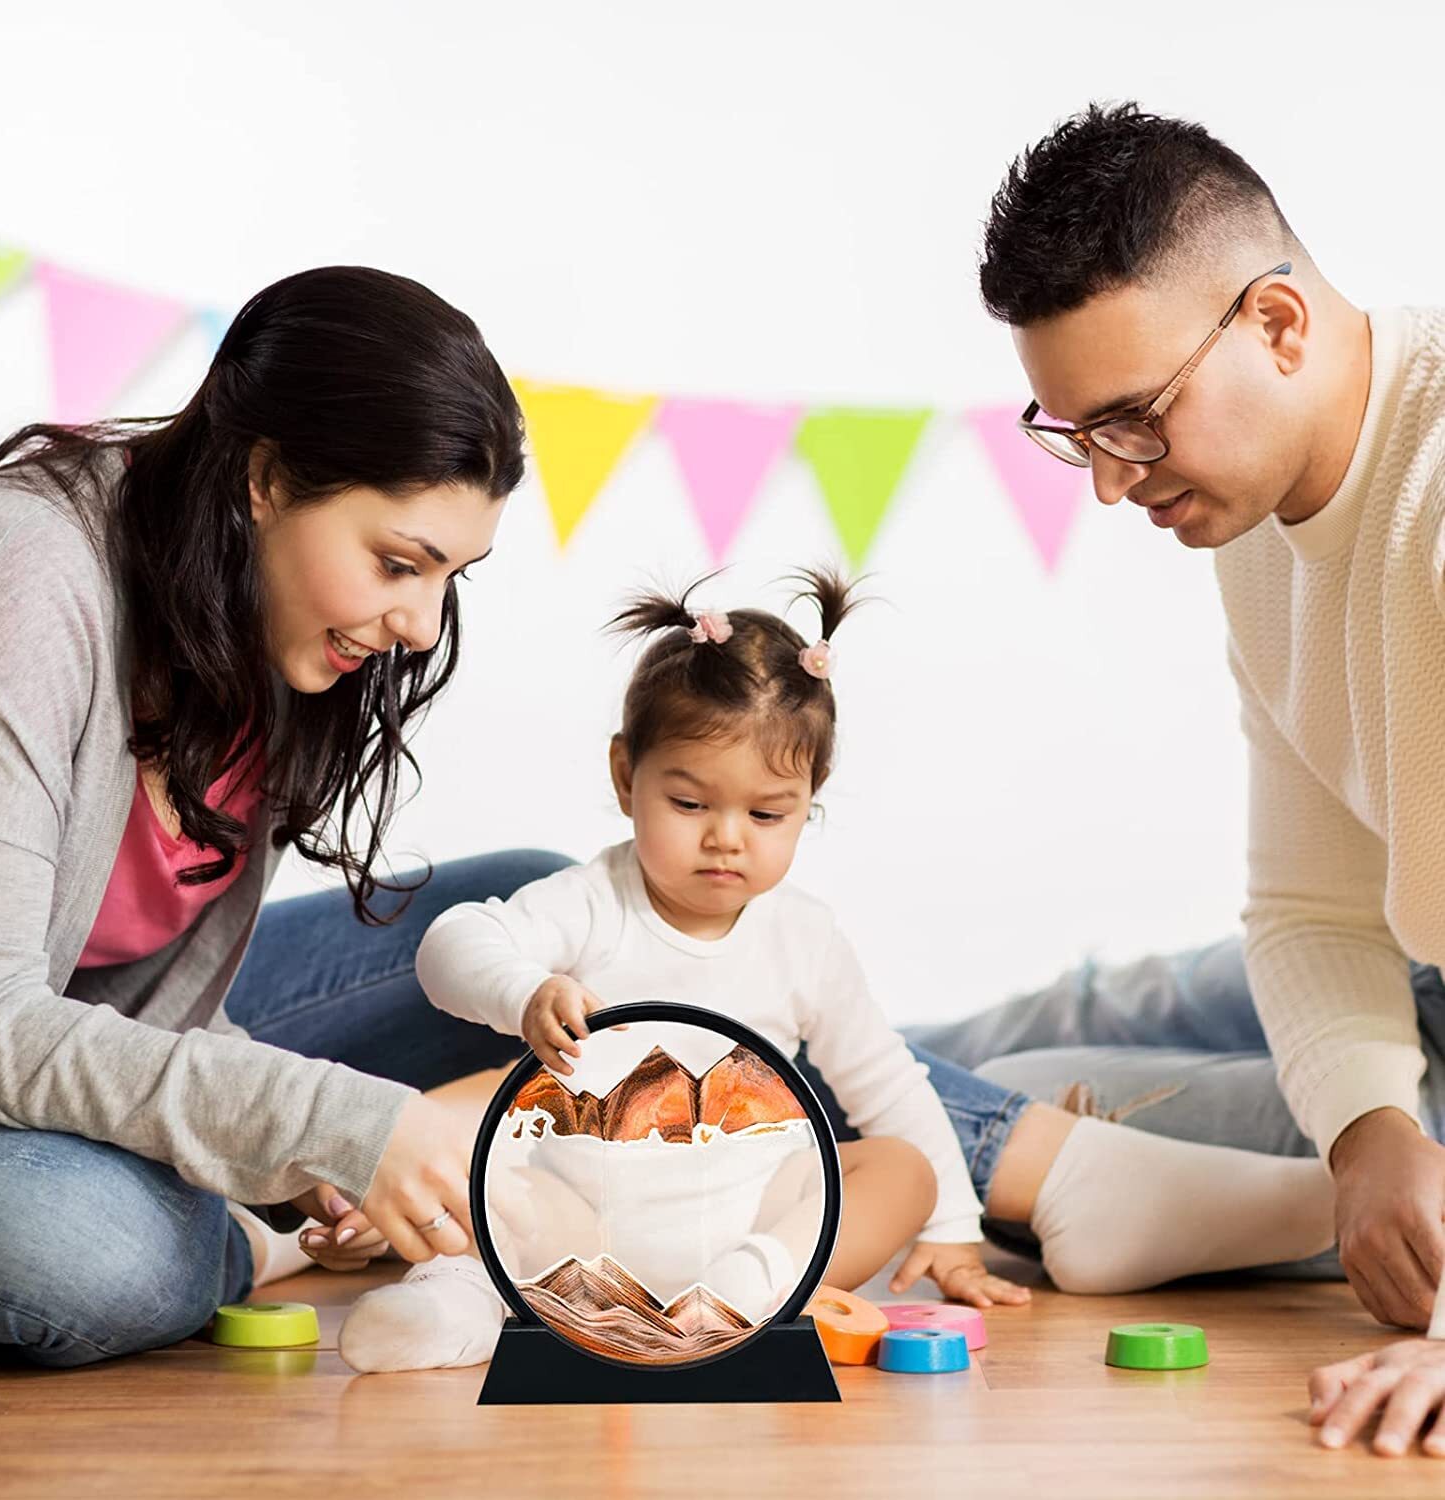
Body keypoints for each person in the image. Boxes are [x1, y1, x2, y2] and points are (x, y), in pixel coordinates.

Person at [330, 572, 1338, 1373]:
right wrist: (523, 990)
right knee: (485, 1164)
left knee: (889, 1169)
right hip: (583, 1206)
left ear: (808, 801)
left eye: (767, 814)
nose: (727, 840)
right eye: (690, 805)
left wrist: (947, 1228)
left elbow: (889, 1087)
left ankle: (749, 1290)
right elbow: (450, 944)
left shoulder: (804, 937)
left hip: (740, 1212)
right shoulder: (590, 901)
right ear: (621, 774)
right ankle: (458, 1308)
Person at [0, 264, 569, 1368]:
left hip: (64, 1039)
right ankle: (247, 1242)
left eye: (450, 577)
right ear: (268, 478)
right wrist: (318, 1133)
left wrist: (322, 1144)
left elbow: (170, 1010)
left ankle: (937, 1066)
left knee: (543, 909)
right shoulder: (26, 578)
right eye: (398, 563)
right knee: (86, 1252)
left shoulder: (270, 624)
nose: (422, 625)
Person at [923, 100, 1445, 1331]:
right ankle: (710, 1025)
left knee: (997, 1110)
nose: (1111, 480)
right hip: (1411, 950)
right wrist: (1367, 1126)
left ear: (1276, 323)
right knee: (1067, 1014)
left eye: (1136, 418)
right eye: (1080, 434)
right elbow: (1310, 908)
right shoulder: (1258, 534)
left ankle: (714, 1101)